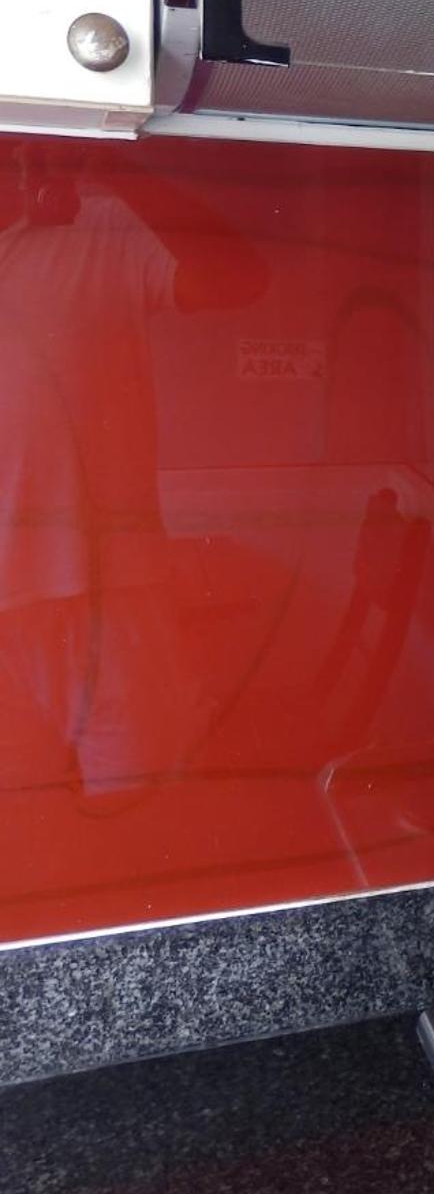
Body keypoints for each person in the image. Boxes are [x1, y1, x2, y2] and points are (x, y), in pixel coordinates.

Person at [0, 141, 267, 812]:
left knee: (129, 792)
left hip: (99, 588)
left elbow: (240, 278)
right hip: (24, 601)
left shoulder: (101, 231)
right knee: (28, 814)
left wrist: (116, 167)